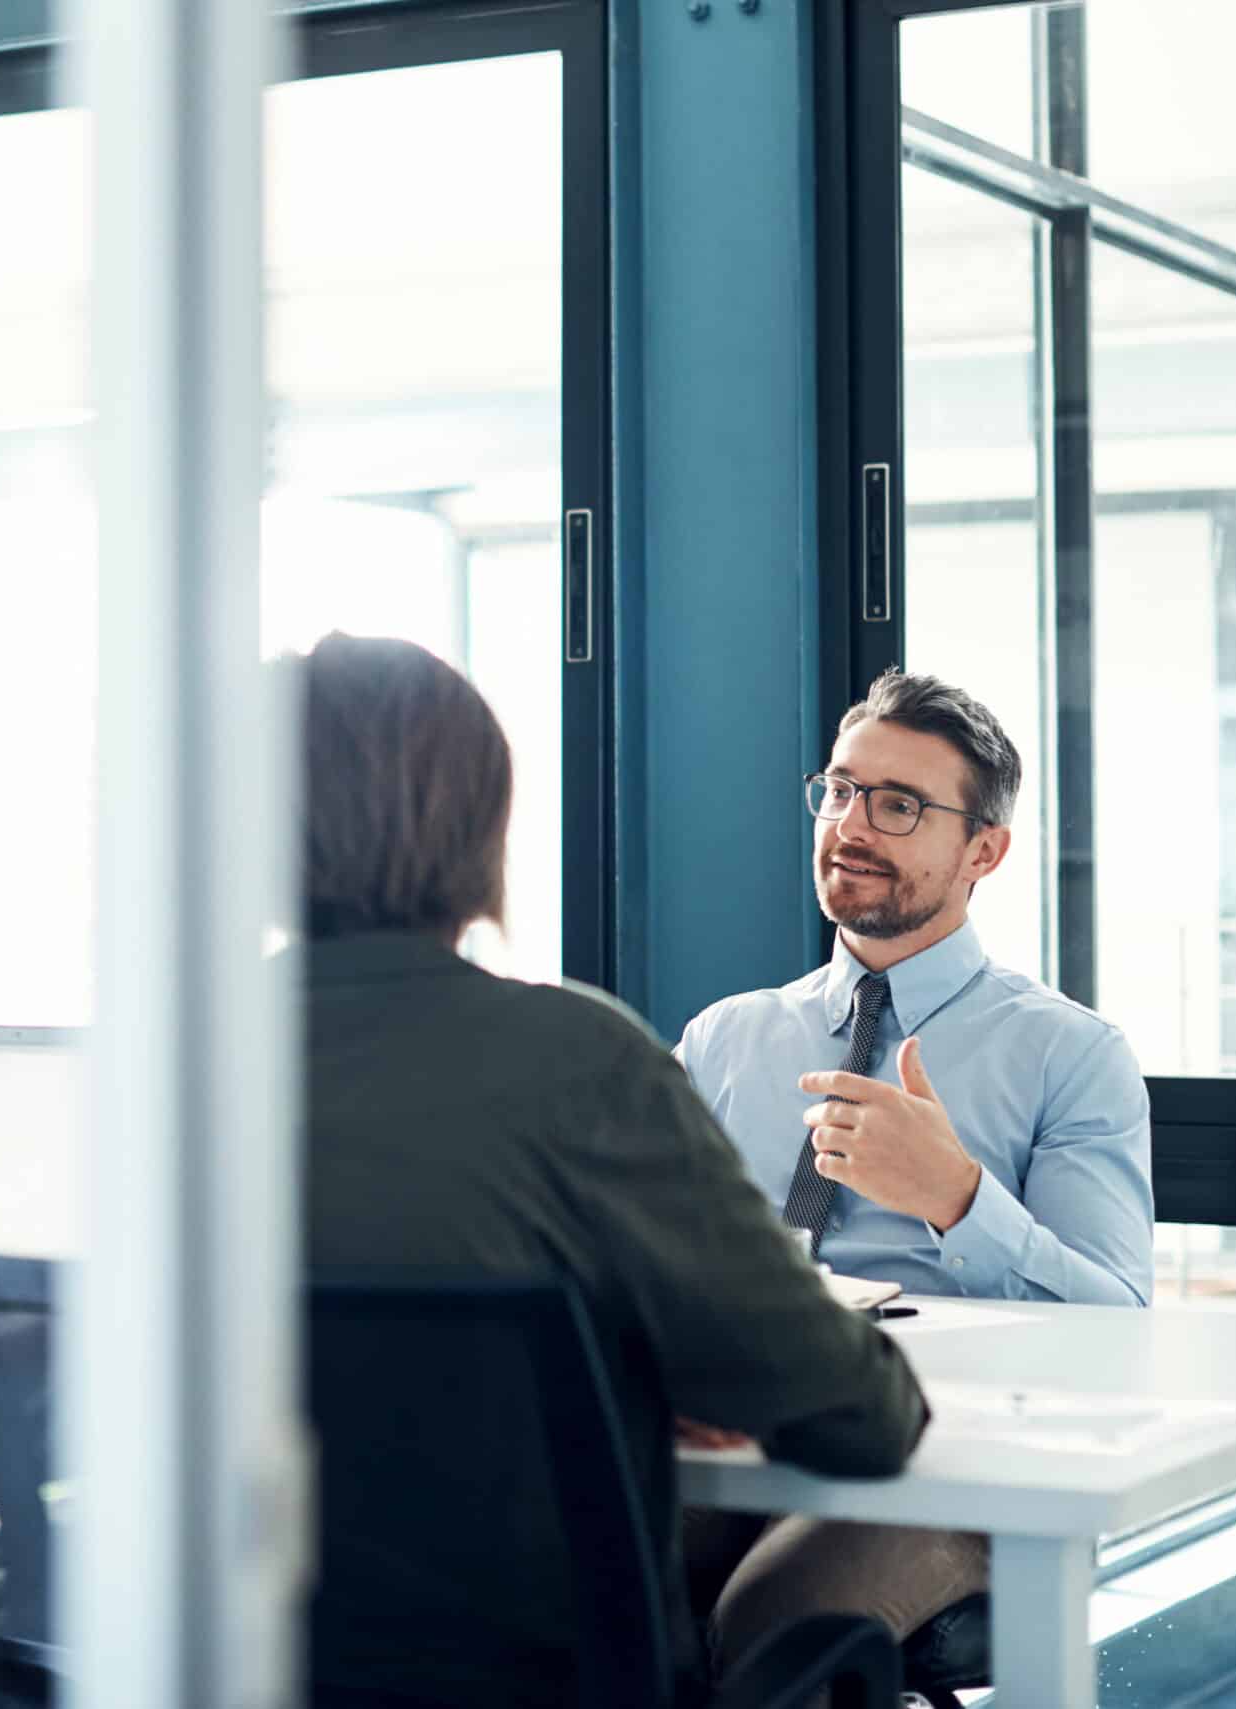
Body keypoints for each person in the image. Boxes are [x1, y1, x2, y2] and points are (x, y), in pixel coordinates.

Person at [294, 631, 928, 1708]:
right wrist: (651, 1373)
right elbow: (858, 1416)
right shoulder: (570, 1062)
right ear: (478, 831)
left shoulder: (161, 1081)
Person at [675, 668, 1154, 1674]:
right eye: (841, 789)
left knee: (774, 1620)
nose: (851, 824)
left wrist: (956, 1198)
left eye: (898, 804)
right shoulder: (726, 1038)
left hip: (960, 1463)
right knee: (580, 1568)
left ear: (984, 850)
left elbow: (1118, 1326)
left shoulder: (1070, 1054)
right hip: (748, 1430)